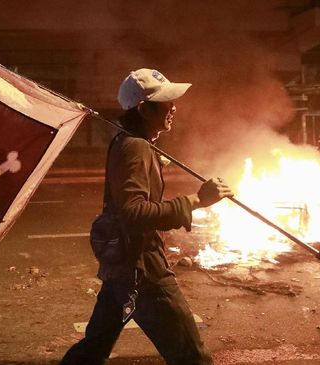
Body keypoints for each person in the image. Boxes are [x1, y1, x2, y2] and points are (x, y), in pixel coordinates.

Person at [60, 68, 233, 365]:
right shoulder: (135, 147)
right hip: (144, 270)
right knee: (192, 357)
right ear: (143, 108)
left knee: (92, 350)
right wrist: (197, 200)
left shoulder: (129, 143)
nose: (173, 108)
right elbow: (134, 213)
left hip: (122, 267)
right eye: (166, 102)